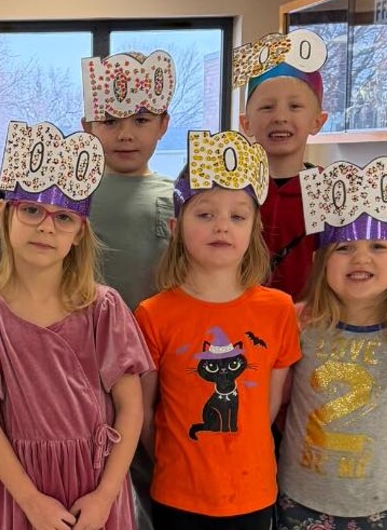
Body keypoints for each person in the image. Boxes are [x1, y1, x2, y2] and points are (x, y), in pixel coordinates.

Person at [0, 122, 152, 530]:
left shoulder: (103, 308)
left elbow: (131, 408)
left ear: (79, 233)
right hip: (26, 489)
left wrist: (105, 495)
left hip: (97, 485)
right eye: (31, 210)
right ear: (4, 213)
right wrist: (31, 501)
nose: (46, 226)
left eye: (63, 217)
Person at [135, 130, 300, 529]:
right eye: (205, 214)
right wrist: (176, 465)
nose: (222, 226)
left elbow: (269, 407)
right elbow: (144, 414)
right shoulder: (153, 314)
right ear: (176, 226)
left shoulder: (278, 310)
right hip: (177, 493)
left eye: (237, 216)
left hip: (253, 492)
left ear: (254, 229)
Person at [275, 157, 387, 530]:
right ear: (320, 260)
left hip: (373, 495)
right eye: (344, 248)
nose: (361, 257)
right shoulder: (298, 320)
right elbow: (283, 401)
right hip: (300, 488)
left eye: (378, 246)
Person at [80, 49, 177, 530]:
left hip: (158, 358)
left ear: (162, 125)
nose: (125, 134)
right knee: (98, 460)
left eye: (140, 120)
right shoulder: (75, 196)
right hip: (87, 355)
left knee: (155, 457)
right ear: (88, 126)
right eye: (111, 121)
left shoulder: (177, 197)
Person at [233, 30, 330, 300]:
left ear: (318, 121)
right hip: (240, 316)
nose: (280, 117)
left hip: (309, 316)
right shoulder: (231, 189)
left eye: (295, 106)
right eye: (267, 107)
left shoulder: (327, 189)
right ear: (246, 123)